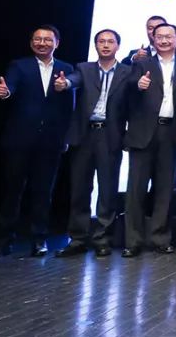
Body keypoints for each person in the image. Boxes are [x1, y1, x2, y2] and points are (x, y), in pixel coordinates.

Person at [0, 25, 75, 258]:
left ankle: (39, 239)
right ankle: (6, 239)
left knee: (43, 192)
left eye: (47, 39)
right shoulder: (19, 66)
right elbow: (10, 87)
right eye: (38, 39)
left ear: (57, 43)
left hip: (51, 141)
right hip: (20, 139)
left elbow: (70, 107)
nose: (42, 43)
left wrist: (65, 137)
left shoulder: (66, 69)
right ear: (31, 42)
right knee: (13, 190)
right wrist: (5, 92)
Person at [55, 28, 133, 258]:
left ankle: (102, 238)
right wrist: (65, 84)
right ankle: (77, 238)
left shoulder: (128, 72)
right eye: (101, 41)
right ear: (96, 45)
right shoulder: (84, 68)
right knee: (80, 188)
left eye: (110, 42)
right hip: (84, 134)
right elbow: (73, 80)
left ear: (118, 46)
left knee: (107, 190)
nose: (105, 45)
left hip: (111, 134)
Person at [122, 23, 176, 257]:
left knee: (165, 189)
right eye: (159, 36)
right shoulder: (141, 64)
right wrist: (138, 85)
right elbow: (127, 88)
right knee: (136, 190)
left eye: (168, 36)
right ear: (153, 39)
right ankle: (133, 241)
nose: (163, 40)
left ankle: (161, 238)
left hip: (171, 132)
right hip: (143, 133)